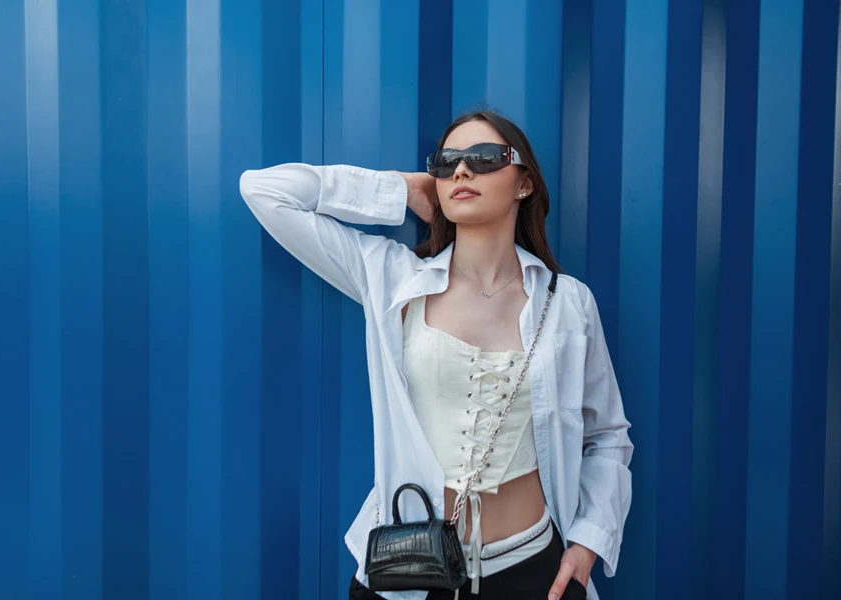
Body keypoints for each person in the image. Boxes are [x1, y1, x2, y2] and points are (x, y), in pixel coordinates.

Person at [239, 110, 633, 600]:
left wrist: (588, 542)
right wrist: (401, 190)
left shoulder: (569, 302)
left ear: (524, 184)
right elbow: (264, 191)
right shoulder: (393, 279)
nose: (462, 172)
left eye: (485, 158)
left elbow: (607, 437)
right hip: (409, 567)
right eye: (447, 163)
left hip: (533, 568)